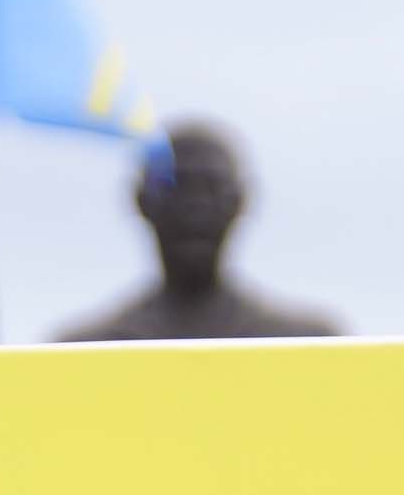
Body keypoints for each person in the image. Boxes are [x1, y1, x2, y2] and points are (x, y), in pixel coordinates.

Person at [55, 119, 342, 342]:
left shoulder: (305, 343)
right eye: (176, 187)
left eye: (212, 188)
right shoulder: (86, 350)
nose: (195, 207)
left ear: (238, 202)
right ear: (142, 201)